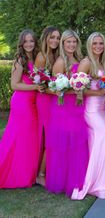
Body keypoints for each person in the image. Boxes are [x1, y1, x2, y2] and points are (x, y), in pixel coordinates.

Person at [46, 30, 88, 197]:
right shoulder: (60, 61)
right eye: (68, 42)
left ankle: (76, 179)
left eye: (74, 42)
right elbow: (54, 88)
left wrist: (82, 88)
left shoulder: (79, 60)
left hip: (77, 107)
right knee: (62, 143)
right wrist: (75, 89)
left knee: (77, 141)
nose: (71, 45)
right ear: (63, 44)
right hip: (62, 107)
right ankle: (61, 181)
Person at [71, 32, 105, 200]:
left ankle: (102, 181)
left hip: (102, 109)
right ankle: (95, 183)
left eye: (101, 43)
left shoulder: (103, 62)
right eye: (95, 43)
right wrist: (98, 92)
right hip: (91, 110)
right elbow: (78, 89)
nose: (98, 46)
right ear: (89, 45)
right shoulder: (86, 62)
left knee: (98, 143)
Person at [0, 29, 41, 188]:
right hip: (22, 103)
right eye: (26, 41)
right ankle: (16, 174)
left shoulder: (35, 58)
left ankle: (27, 173)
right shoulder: (19, 60)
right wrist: (36, 86)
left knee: (28, 138)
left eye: (31, 41)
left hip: (32, 102)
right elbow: (14, 85)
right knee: (19, 137)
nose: (29, 44)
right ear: (21, 43)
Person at [35, 26, 60, 186]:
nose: (55, 41)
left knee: (52, 135)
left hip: (53, 99)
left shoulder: (55, 55)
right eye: (52, 37)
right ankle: (41, 174)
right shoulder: (42, 56)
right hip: (45, 99)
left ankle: (47, 169)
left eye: (57, 38)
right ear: (45, 38)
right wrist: (58, 92)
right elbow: (41, 84)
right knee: (49, 135)